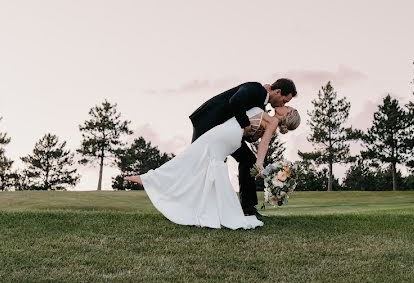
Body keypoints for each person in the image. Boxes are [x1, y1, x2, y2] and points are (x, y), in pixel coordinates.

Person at [126, 103, 301, 229]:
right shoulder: (267, 114)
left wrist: (259, 164)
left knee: (191, 157)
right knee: (202, 165)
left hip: (226, 135)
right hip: (228, 136)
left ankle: (149, 179)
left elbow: (264, 144)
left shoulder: (272, 122)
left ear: (288, 114)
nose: (285, 105)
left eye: (288, 107)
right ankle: (198, 204)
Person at [189, 79, 297, 216]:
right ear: (278, 92)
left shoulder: (263, 106)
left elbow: (246, 133)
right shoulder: (256, 88)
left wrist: (252, 134)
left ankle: (248, 207)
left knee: (248, 159)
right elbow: (235, 101)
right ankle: (189, 202)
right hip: (208, 121)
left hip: (227, 132)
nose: (283, 104)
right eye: (285, 101)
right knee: (196, 163)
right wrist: (245, 125)